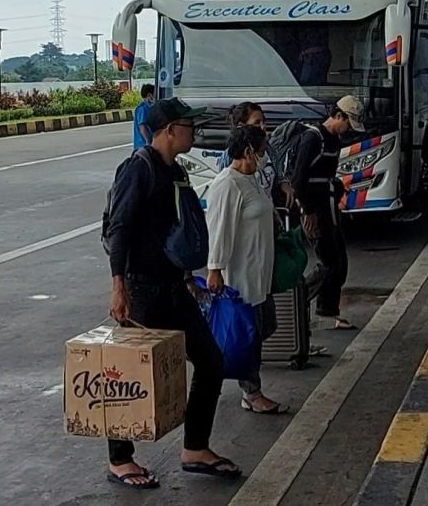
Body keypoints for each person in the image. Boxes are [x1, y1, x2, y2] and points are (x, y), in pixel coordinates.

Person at [103, 97, 241, 489]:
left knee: (211, 361)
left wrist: (185, 278)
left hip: (174, 286)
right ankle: (120, 458)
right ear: (168, 131)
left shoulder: (176, 170)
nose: (194, 133)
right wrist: (118, 287)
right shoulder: (138, 169)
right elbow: (120, 229)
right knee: (127, 374)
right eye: (188, 126)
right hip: (141, 288)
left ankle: (195, 448)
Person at [206, 124, 289, 415]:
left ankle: (245, 377)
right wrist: (215, 268)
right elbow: (219, 229)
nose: (265, 157)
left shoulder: (250, 179)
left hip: (259, 272)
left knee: (266, 327)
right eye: (262, 151)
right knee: (250, 335)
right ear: (248, 151)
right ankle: (251, 391)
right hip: (240, 275)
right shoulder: (227, 184)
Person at [290, 95, 363, 330]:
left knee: (340, 261)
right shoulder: (313, 139)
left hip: (329, 207)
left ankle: (328, 310)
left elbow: (326, 176)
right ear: (338, 115)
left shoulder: (333, 141)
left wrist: (339, 189)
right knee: (328, 262)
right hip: (314, 210)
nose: (348, 129)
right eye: (348, 123)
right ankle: (297, 303)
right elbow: (299, 179)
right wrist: (308, 212)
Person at [132, 84, 156, 150]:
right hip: (142, 145)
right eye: (154, 93)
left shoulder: (149, 107)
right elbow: (142, 127)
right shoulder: (143, 108)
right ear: (149, 95)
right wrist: (148, 141)